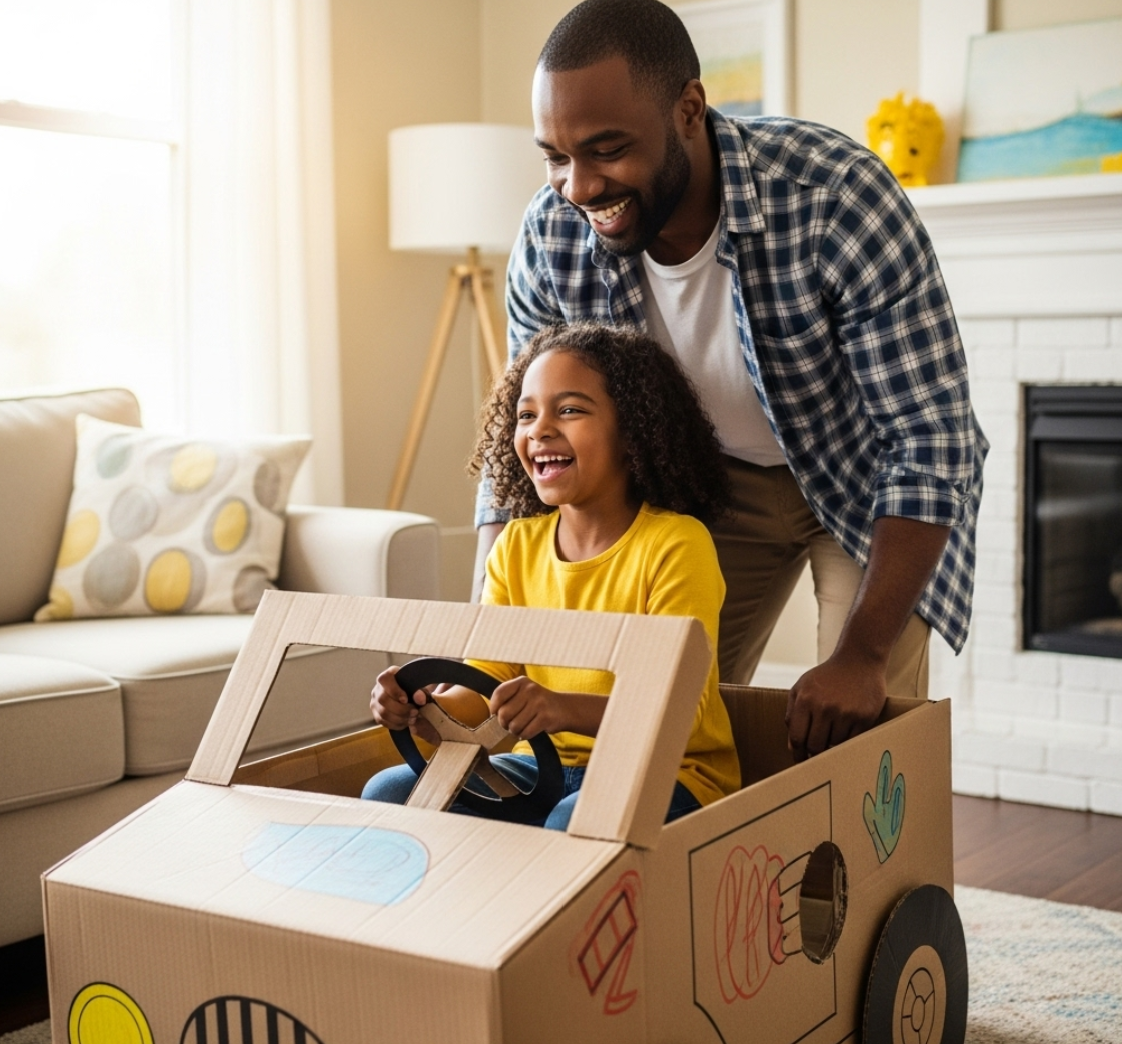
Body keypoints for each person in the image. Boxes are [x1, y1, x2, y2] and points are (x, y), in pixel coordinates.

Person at [474, 0, 988, 762]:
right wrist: (480, 634)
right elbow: (523, 449)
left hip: (862, 485)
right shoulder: (553, 235)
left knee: (853, 734)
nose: (578, 187)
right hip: (702, 491)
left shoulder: (836, 197)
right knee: (669, 725)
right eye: (555, 156)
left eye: (607, 150)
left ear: (689, 110)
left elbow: (928, 440)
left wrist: (861, 656)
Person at [364, 322, 740, 830]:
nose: (539, 429)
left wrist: (563, 708)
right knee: (387, 791)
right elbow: (485, 689)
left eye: (569, 410)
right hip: (543, 769)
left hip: (669, 772)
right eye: (526, 414)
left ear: (632, 431)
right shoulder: (515, 548)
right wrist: (422, 706)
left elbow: (680, 710)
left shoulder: (676, 544)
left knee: (572, 822)